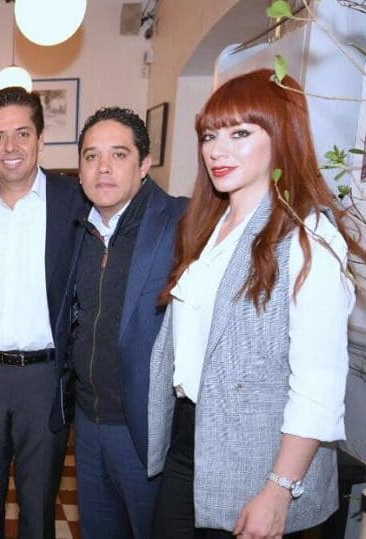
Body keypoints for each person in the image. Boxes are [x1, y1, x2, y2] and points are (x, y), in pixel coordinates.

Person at [147, 69, 363, 537]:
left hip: (259, 459)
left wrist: (279, 490)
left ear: (282, 135)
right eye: (210, 136)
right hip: (191, 440)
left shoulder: (308, 238)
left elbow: (318, 385)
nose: (217, 150)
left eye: (240, 133)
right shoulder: (211, 225)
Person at [0, 86, 86, 538]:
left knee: (38, 509)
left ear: (41, 139)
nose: (10, 147)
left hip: (45, 381)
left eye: (22, 133)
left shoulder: (76, 201)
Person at [65, 107, 187, 538]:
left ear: (144, 164)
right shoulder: (77, 228)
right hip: (87, 422)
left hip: (143, 429)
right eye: (91, 156)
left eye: (118, 154)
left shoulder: (181, 223)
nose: (103, 167)